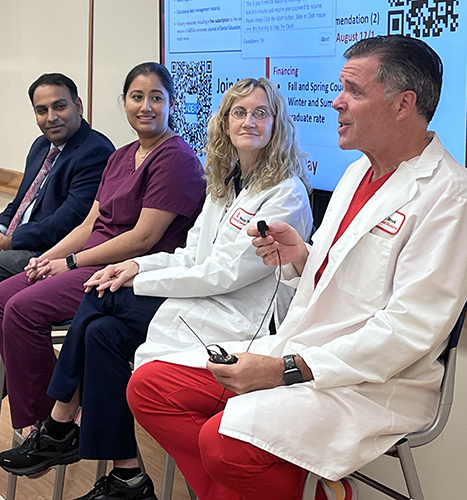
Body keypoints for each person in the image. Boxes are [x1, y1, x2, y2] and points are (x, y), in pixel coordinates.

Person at [125, 36, 467, 500]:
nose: (336, 101)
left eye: (353, 91)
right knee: (151, 387)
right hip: (305, 351)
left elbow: (409, 331)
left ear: (404, 104)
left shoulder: (452, 197)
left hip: (374, 381)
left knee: (224, 445)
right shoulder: (358, 173)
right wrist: (302, 256)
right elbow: (346, 276)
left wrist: (286, 370)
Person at [0, 77, 313, 500]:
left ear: (278, 124)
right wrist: (131, 266)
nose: (249, 121)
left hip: (241, 319)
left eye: (261, 113)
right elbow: (190, 256)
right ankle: (128, 475)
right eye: (239, 112)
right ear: (224, 122)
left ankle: (59, 423)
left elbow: (222, 275)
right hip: (200, 302)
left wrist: (136, 274)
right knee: (100, 333)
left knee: (99, 296)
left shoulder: (285, 194)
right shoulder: (226, 186)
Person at [0, 60, 205, 473]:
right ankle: (46, 419)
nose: (145, 106)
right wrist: (51, 258)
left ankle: (49, 424)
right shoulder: (122, 155)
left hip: (122, 271)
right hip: (86, 260)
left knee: (22, 311)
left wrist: (71, 262)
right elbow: (90, 222)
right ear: (124, 103)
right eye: (136, 97)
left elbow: (143, 238)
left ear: (171, 104)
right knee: (2, 295)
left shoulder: (176, 158)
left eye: (156, 97)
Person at [0, 73, 114, 281]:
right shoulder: (41, 145)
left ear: (78, 106)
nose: (51, 117)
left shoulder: (95, 152)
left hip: (47, 252)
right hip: (18, 240)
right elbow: (20, 204)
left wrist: (8, 242)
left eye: (59, 106)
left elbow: (66, 223)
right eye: (42, 110)